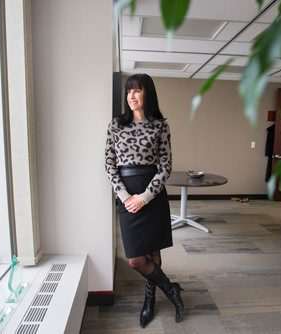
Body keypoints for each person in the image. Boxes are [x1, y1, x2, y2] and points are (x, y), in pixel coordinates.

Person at [104, 73, 184, 327]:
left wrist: (145, 197)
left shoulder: (160, 125)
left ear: (147, 94)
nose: (131, 96)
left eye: (137, 91)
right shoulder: (116, 125)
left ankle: (149, 300)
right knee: (136, 259)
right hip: (127, 197)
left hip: (152, 195)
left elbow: (165, 166)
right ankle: (171, 290)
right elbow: (109, 165)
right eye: (129, 92)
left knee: (153, 252)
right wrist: (126, 197)